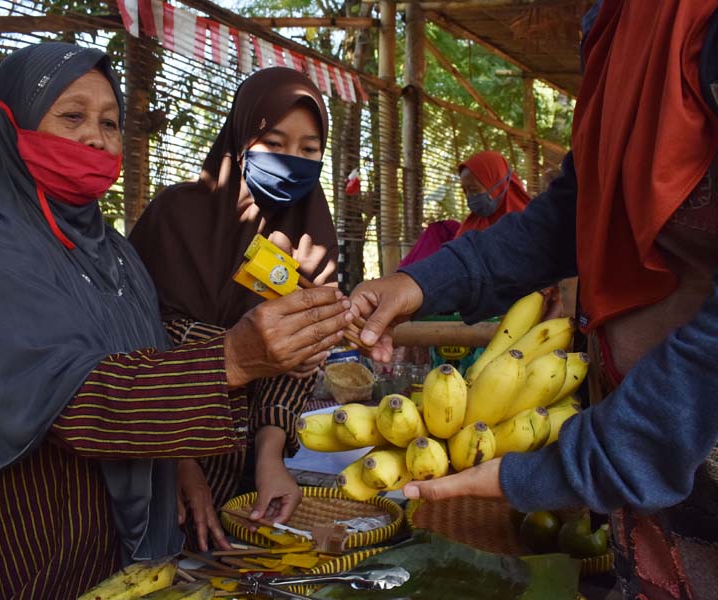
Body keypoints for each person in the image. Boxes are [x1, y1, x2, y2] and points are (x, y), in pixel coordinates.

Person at [0, 43, 352, 599]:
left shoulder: (116, 254)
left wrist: (180, 462)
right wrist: (232, 357)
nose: (96, 138)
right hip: (32, 541)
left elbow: (148, 358)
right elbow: (72, 401)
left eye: (109, 122)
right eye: (72, 116)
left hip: (132, 542)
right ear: (14, 123)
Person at [349, 2, 718, 598]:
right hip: (636, 456)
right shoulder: (616, 26)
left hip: (676, 429)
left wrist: (583, 462)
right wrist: (426, 282)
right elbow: (578, 207)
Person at [129, 67, 338, 552]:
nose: (292, 160)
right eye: (275, 142)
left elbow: (295, 364)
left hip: (245, 474)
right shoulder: (173, 217)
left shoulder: (311, 237)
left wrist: (270, 455)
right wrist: (178, 459)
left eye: (309, 150)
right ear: (241, 140)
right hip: (153, 456)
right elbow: (136, 340)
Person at [454, 150, 531, 239]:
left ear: (499, 186)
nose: (468, 196)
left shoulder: (528, 225)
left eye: (473, 189)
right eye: (465, 190)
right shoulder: (469, 228)